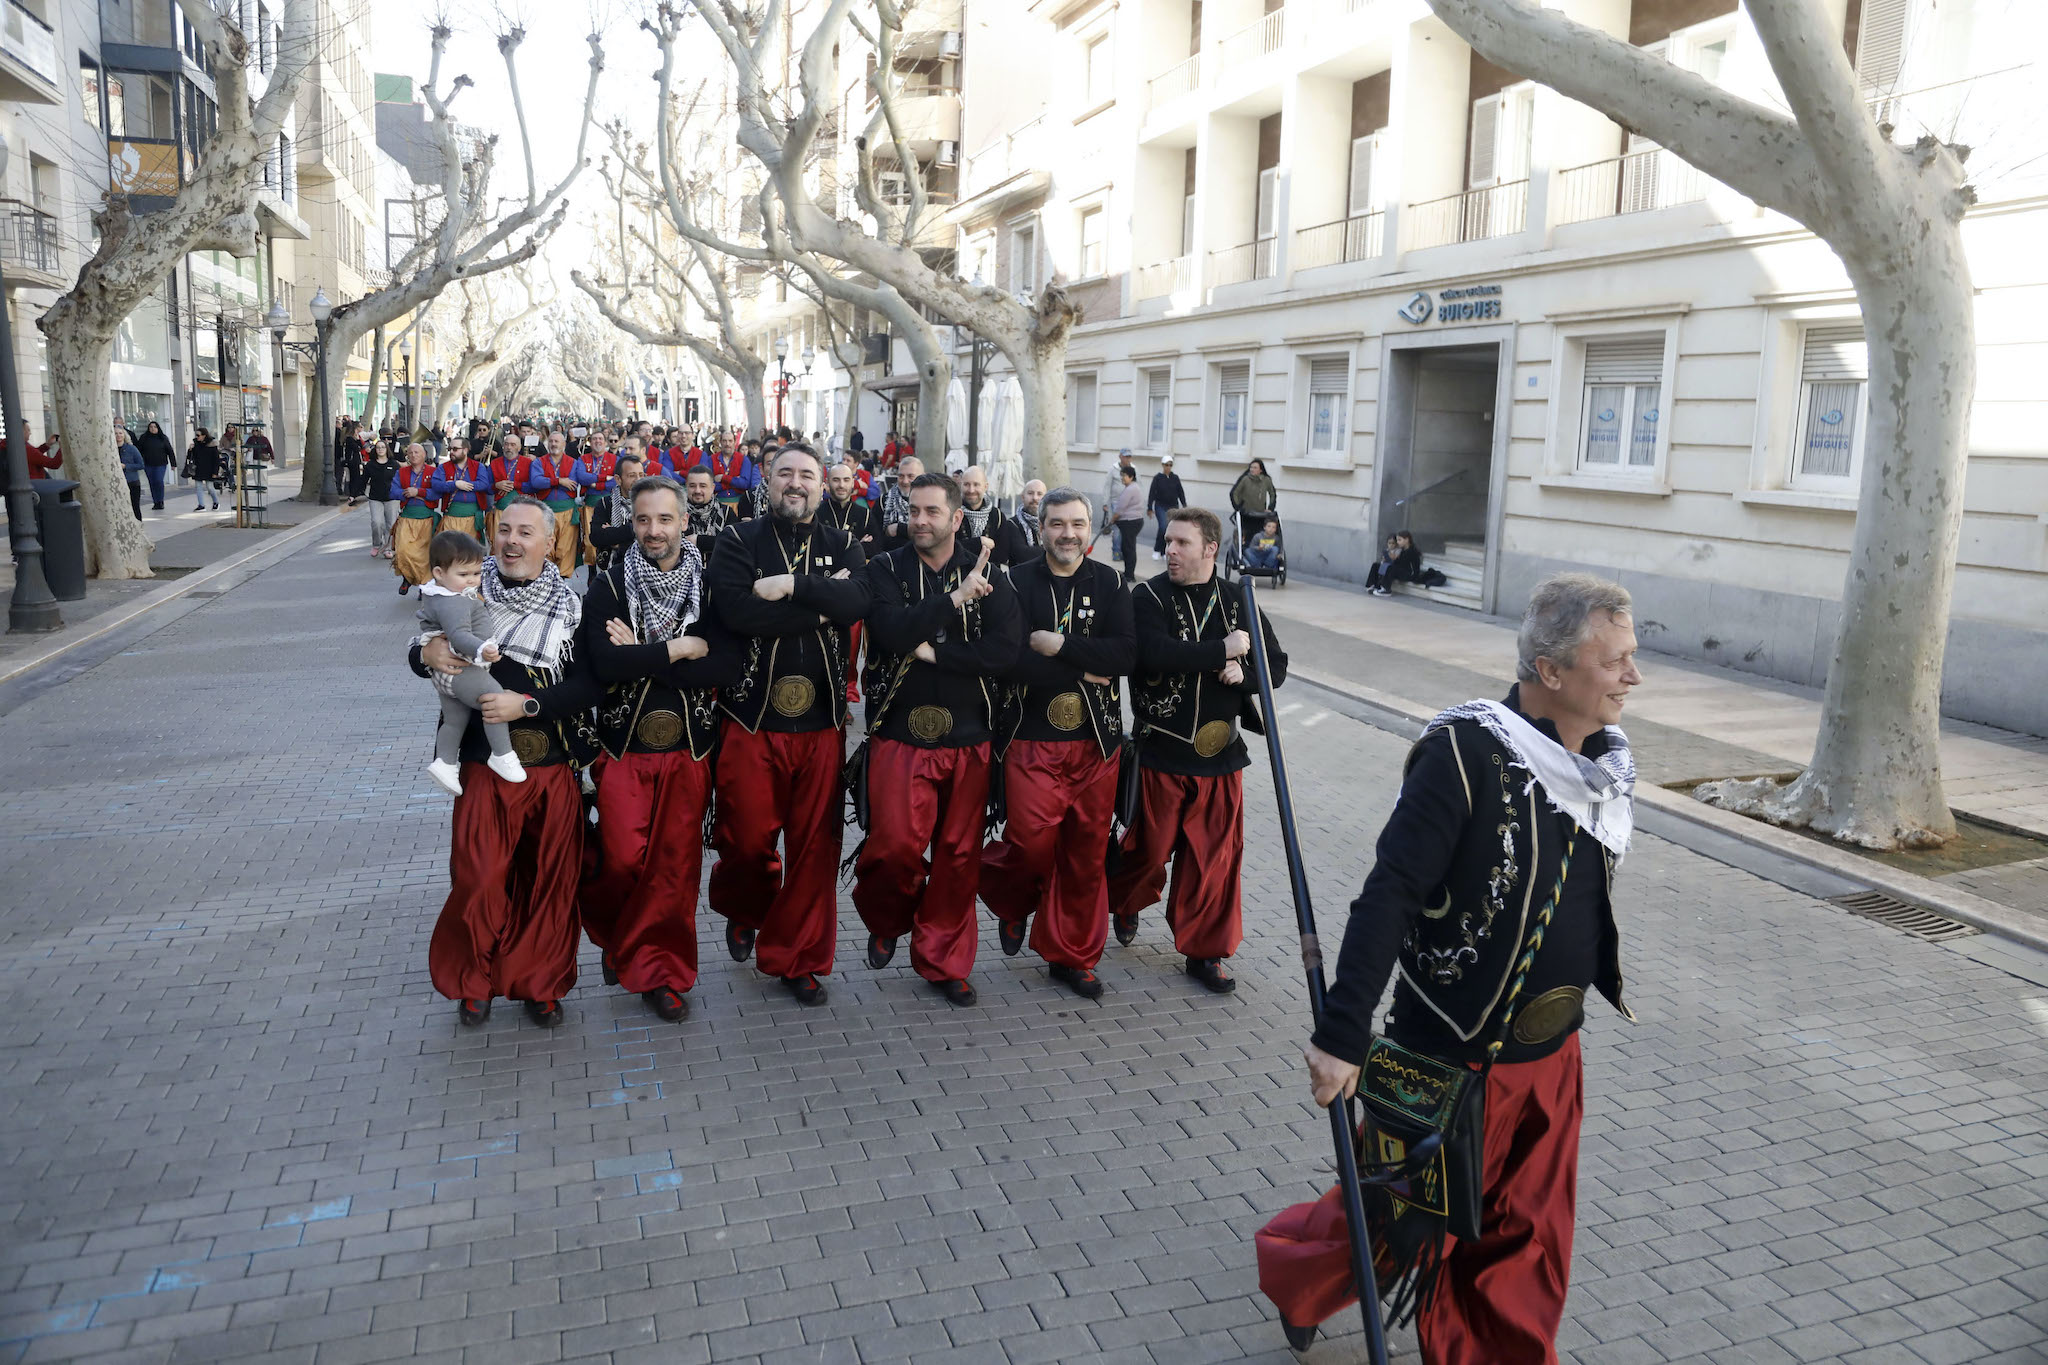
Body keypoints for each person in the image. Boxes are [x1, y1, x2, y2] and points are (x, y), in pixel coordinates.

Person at [1269, 574, 1643, 1362]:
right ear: (1550, 669)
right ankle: (1299, 1275)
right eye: (1615, 662)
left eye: (1631, 658)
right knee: (1392, 1228)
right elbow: (1392, 891)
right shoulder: (1464, 753)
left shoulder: (1602, 770)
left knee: (1527, 1243)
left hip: (1552, 1062)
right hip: (1444, 1056)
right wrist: (1342, 1032)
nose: (1632, 678)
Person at [410, 498, 599, 1029]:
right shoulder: (464, 591)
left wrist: (529, 704)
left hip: (553, 763)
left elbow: (591, 685)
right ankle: (475, 981)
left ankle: (539, 981)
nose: (512, 541)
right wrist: (423, 653)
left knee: (548, 883)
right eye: (504, 531)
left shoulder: (573, 606)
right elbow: (421, 639)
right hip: (482, 764)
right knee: (480, 877)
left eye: (525, 533)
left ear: (550, 543)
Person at [706, 444, 871, 1006]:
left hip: (823, 722)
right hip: (751, 720)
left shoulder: (844, 542)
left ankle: (798, 958)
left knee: (814, 850)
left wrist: (794, 589)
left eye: (806, 475)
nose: (795, 484)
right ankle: (745, 908)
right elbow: (738, 614)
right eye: (785, 474)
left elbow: (859, 601)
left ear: (822, 486)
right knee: (746, 841)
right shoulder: (736, 540)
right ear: (767, 482)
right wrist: (827, 604)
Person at [580, 474, 742, 1023]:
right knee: (623, 860)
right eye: (644, 519)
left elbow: (725, 664)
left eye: (665, 519)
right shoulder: (608, 585)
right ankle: (619, 933)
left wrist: (644, 656)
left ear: (685, 522)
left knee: (675, 869)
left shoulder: (714, 585)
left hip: (690, 750)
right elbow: (604, 666)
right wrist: (677, 650)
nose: (654, 530)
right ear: (632, 522)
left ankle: (665, 973)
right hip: (624, 750)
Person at [856, 472, 1020, 1007]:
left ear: (956, 517)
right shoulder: (883, 567)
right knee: (895, 847)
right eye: (914, 511)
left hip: (971, 735)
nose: (920, 521)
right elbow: (890, 633)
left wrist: (940, 654)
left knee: (957, 857)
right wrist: (954, 600)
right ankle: (888, 917)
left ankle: (945, 959)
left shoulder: (989, 569)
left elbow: (1005, 652)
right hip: (899, 733)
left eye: (931, 512)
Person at [1108, 507, 1287, 993]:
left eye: (1181, 543)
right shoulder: (1145, 596)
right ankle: (1123, 901)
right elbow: (1153, 652)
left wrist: (1244, 674)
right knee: (1147, 853)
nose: (1170, 551)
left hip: (1220, 758)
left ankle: (1204, 951)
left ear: (1210, 549)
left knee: (1214, 862)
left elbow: (1277, 665)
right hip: (1161, 756)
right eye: (1168, 542)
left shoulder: (1237, 599)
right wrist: (1222, 651)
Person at [980, 487, 1133, 999]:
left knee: (1086, 854)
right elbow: (1010, 661)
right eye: (1057, 524)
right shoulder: (1015, 582)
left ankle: (1072, 955)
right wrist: (1087, 666)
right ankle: (1015, 901)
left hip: (1097, 742)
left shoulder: (1111, 582)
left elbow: (1125, 656)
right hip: (1031, 739)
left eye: (1077, 524)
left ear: (1091, 529)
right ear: (1039, 527)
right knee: (1030, 845)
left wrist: (1062, 645)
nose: (1068, 534)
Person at [415, 530, 526, 796]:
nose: (472, 582)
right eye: (463, 575)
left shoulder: (443, 594)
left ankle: (445, 761)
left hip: (446, 675)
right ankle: (502, 753)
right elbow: (459, 635)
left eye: (475, 574)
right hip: (462, 666)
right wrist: (482, 648)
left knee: (455, 719)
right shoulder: (453, 602)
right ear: (440, 573)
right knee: (494, 699)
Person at [390, 444, 440, 593]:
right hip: (407, 516)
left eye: (417, 452)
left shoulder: (433, 471)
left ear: (424, 454)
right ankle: (408, 576)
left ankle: (423, 585)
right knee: (402, 551)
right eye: (410, 452)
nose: (413, 455)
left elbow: (437, 493)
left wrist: (419, 492)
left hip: (426, 517)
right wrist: (407, 493)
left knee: (424, 554)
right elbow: (393, 492)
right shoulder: (402, 472)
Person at [588, 452, 645, 573]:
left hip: (644, 569)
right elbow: (596, 537)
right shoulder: (605, 503)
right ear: (618, 479)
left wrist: (617, 542)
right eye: (632, 475)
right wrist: (633, 530)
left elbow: (651, 540)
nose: (638, 480)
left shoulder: (651, 504)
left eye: (641, 475)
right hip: (612, 570)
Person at [956, 466, 1015, 568]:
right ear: (961, 485)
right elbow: (948, 549)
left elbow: (1002, 556)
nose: (971, 490)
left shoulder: (998, 516)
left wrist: (965, 547)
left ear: (985, 486)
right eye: (966, 484)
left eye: (976, 484)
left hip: (989, 577)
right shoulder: (953, 512)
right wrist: (979, 542)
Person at [433, 437, 488, 545]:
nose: (451, 452)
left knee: (470, 551)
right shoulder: (443, 467)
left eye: (455, 449)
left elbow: (484, 484)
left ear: (465, 450)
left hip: (471, 518)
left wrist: (465, 485)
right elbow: (436, 485)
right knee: (450, 550)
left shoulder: (478, 466)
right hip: (451, 516)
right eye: (450, 449)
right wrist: (455, 484)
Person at [576, 430, 617, 567]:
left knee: (610, 535)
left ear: (605, 442)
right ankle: (592, 569)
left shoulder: (614, 459)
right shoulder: (583, 459)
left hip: (610, 504)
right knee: (589, 539)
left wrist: (593, 484)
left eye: (600, 439)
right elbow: (582, 477)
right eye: (594, 439)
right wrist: (604, 478)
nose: (597, 441)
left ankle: (606, 566)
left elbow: (616, 481)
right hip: (590, 504)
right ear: (590, 442)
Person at [681, 465, 731, 561]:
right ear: (686, 486)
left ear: (712, 488)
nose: (697, 490)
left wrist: (700, 541)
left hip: (719, 570)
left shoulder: (726, 512)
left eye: (703, 486)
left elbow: (732, 544)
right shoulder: (678, 512)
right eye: (692, 486)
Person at [995, 478, 1047, 565]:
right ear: (1023, 497)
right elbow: (1022, 554)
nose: (1035, 498)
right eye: (1030, 493)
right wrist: (1050, 549)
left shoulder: (1050, 522)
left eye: (1039, 494)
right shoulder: (1012, 524)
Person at [362, 440, 399, 559]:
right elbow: (363, 480)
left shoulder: (394, 464)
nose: (380, 449)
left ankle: (388, 548)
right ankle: (377, 544)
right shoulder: (371, 465)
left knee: (391, 524)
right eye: (378, 447)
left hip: (391, 498)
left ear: (386, 449)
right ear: (375, 450)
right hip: (375, 498)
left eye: (383, 447)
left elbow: (400, 480)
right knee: (377, 523)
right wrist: (354, 494)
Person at [877, 455, 922, 551]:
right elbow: (876, 537)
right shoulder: (883, 501)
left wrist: (899, 528)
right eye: (901, 476)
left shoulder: (931, 502)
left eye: (911, 476)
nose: (905, 481)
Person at [1228, 457, 1276, 548]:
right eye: (1251, 467)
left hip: (1260, 515)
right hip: (1246, 514)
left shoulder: (1266, 480)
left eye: (1255, 468)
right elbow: (1234, 493)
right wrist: (1238, 507)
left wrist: (1270, 508)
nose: (1252, 469)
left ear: (1260, 470)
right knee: (1246, 536)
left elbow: (1272, 494)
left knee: (1258, 536)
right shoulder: (1245, 479)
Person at [1110, 465, 1145, 583]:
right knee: (1128, 547)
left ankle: (1130, 575)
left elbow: (1120, 508)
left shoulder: (1131, 489)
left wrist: (1113, 519)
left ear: (1131, 477)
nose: (1122, 478)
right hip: (1132, 522)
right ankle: (1128, 572)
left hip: (1130, 522)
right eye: (1121, 475)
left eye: (1124, 475)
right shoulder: (1133, 487)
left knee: (1128, 548)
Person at [1147, 455, 1186, 561]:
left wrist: (1184, 505)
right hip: (1160, 506)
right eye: (1166, 465)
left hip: (1173, 506)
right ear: (1162, 465)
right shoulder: (1157, 478)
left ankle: (1164, 551)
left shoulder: (1175, 478)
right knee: (1163, 527)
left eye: (1170, 465)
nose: (1168, 467)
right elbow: (1152, 493)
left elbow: (1180, 492)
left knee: (1170, 530)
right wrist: (1149, 508)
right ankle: (1156, 549)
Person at [1366, 529, 1423, 596]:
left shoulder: (1412, 551)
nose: (1397, 542)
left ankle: (1386, 590)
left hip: (1408, 574)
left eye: (1399, 540)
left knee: (1390, 567)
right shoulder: (1402, 549)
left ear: (1407, 540)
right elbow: (1397, 563)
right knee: (1376, 565)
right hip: (1400, 570)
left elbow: (1405, 566)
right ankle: (1373, 585)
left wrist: (1392, 559)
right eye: (1397, 540)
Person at [137, 421, 175, 509]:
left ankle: (160, 500)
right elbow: (139, 450)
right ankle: (156, 502)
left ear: (158, 428)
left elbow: (170, 451)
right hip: (148, 464)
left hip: (160, 464)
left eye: (155, 427)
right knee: (152, 483)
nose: (153, 429)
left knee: (158, 481)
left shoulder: (163, 438)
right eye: (151, 427)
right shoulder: (144, 437)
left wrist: (173, 463)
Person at [184, 429, 222, 511]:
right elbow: (190, 457)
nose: (197, 437)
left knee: (210, 487)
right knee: (198, 487)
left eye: (198, 435)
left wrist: (215, 472)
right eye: (196, 435)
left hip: (209, 469)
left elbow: (216, 460)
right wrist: (190, 450)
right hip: (198, 469)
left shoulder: (212, 444)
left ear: (204, 435)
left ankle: (216, 502)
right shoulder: (196, 444)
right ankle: (201, 505)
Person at [117, 430, 144, 519]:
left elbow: (141, 465)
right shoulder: (109, 450)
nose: (118, 435)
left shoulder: (132, 449)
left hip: (132, 482)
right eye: (115, 433)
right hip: (116, 483)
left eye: (120, 433)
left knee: (135, 507)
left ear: (124, 435)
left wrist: (126, 466)